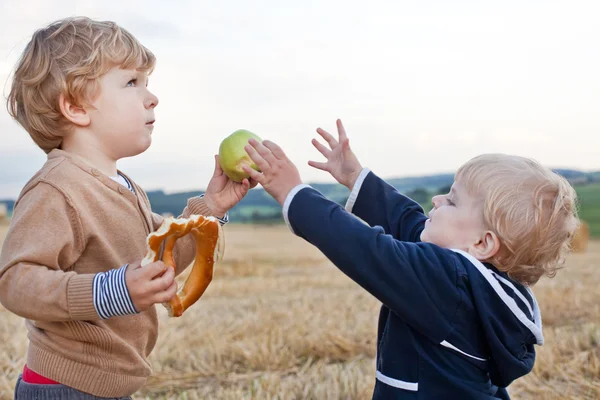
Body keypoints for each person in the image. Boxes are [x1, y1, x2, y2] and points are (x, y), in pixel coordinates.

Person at [0, 17, 253, 399]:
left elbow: (161, 256)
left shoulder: (125, 186)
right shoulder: (57, 188)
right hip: (65, 387)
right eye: (132, 83)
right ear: (75, 107)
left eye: (147, 84)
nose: (152, 98)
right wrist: (111, 290)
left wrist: (212, 206)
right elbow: (15, 281)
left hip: (108, 385)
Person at [241, 119, 578, 399]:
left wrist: (292, 192)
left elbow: (367, 249)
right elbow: (410, 222)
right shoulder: (480, 283)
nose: (436, 199)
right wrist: (355, 176)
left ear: (482, 243)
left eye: (453, 201)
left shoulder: (451, 283)